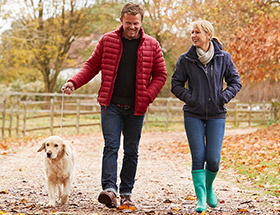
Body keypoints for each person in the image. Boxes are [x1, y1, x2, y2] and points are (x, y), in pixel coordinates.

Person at [62, 2, 167, 209]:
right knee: (111, 146)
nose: (132, 27)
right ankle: (109, 190)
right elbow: (91, 66)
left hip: (137, 107)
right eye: (128, 23)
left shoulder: (152, 45)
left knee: (131, 150)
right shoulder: (107, 40)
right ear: (121, 20)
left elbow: (161, 74)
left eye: (136, 23)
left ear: (141, 22)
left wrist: (147, 96)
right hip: (111, 105)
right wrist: (73, 82)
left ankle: (126, 193)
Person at [171, 20, 241, 213]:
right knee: (198, 156)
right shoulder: (186, 59)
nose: (193, 36)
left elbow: (235, 82)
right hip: (193, 114)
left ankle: (209, 187)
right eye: (192, 32)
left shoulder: (223, 57)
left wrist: (223, 97)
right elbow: (175, 84)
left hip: (217, 114)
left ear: (208, 34)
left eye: (197, 32)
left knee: (213, 159)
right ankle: (200, 197)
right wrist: (190, 98)